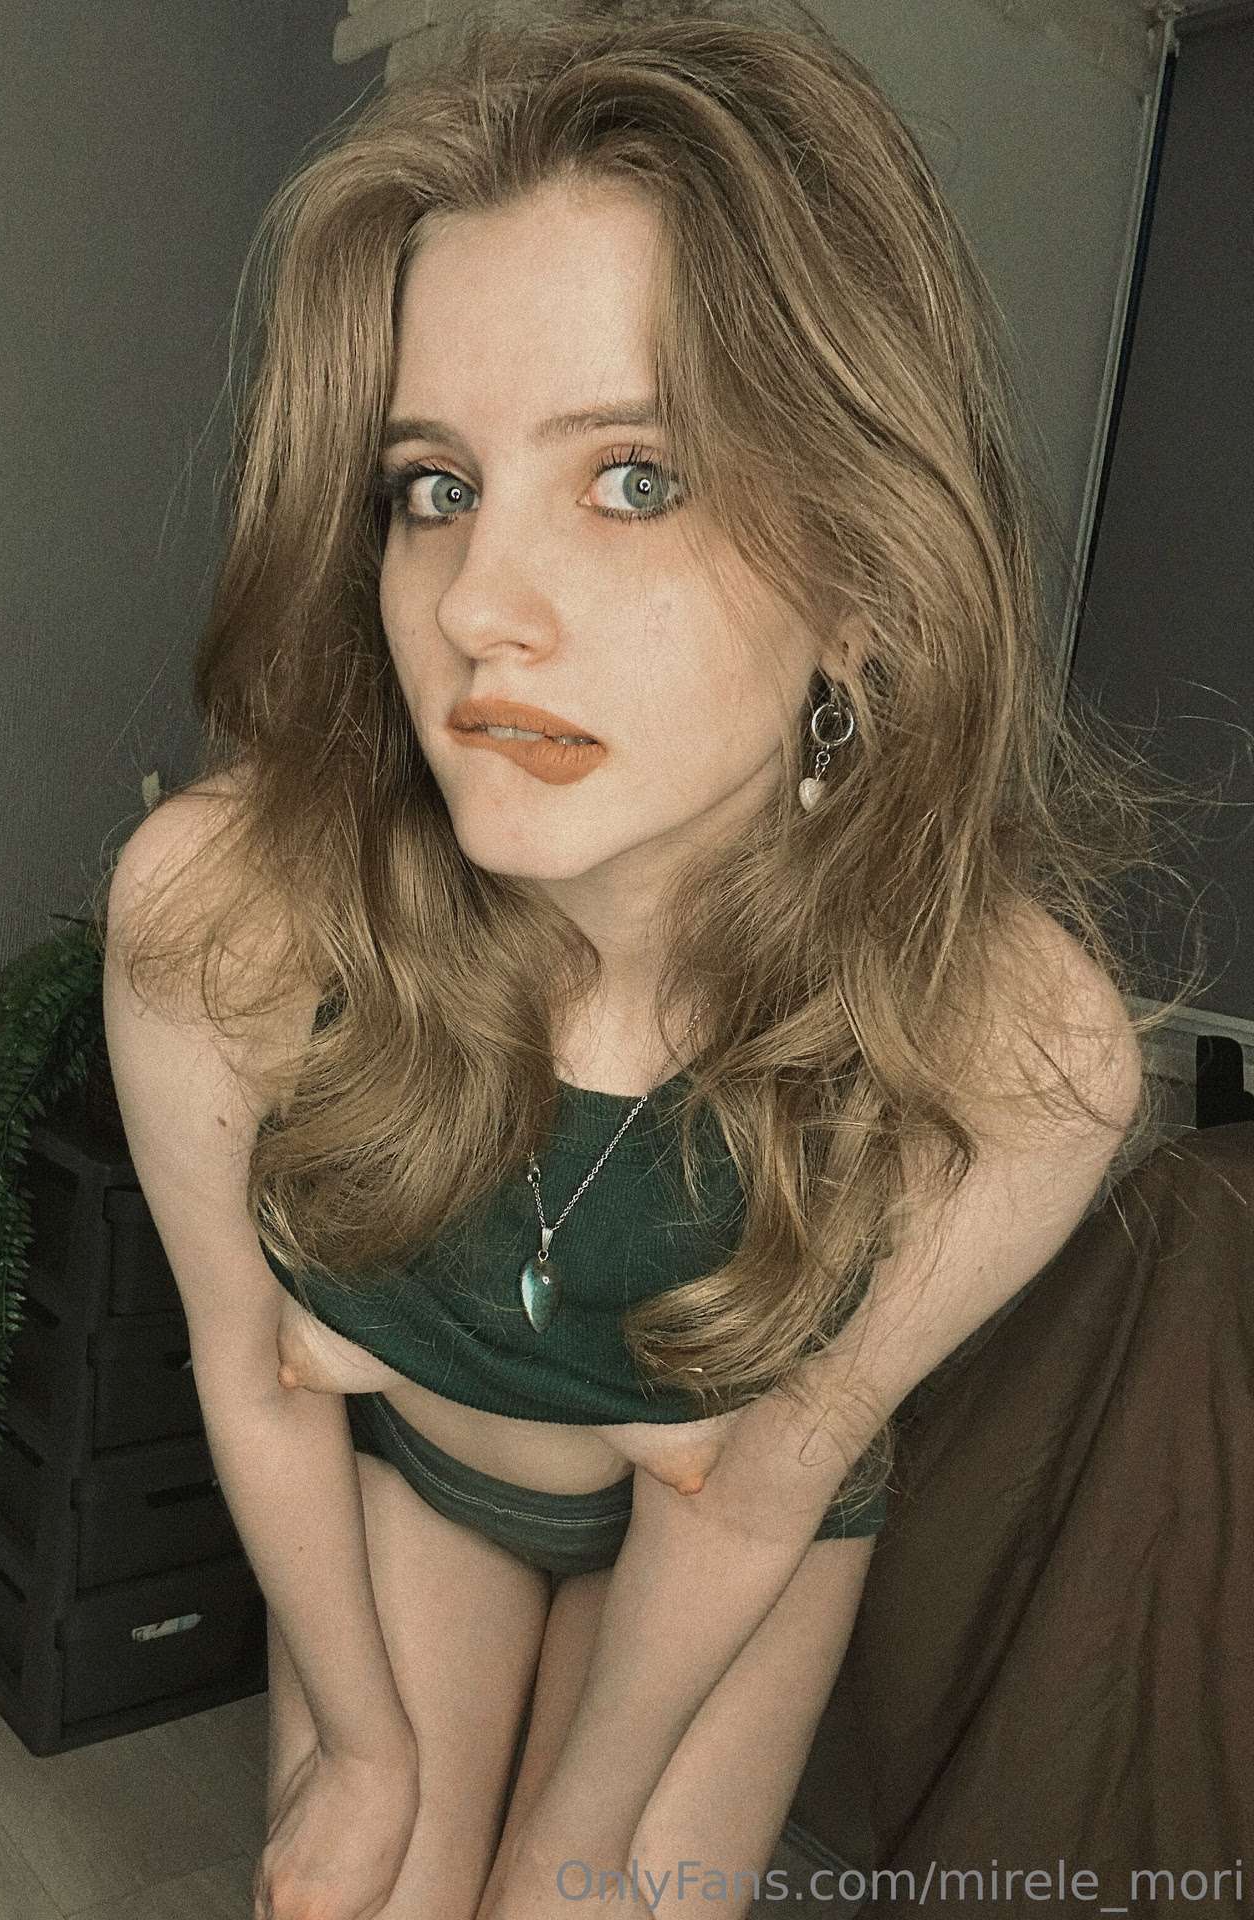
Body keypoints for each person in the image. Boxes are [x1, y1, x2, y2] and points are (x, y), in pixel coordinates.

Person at [100, 3, 1197, 1916]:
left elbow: (762, 1480)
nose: (479, 609)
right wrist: (363, 1749)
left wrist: (585, 1841)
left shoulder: (1017, 1049)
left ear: (866, 576)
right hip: (422, 1494)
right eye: (434, 489)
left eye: (633, 478)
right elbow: (246, 1368)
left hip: (729, 1550)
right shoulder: (227, 915)